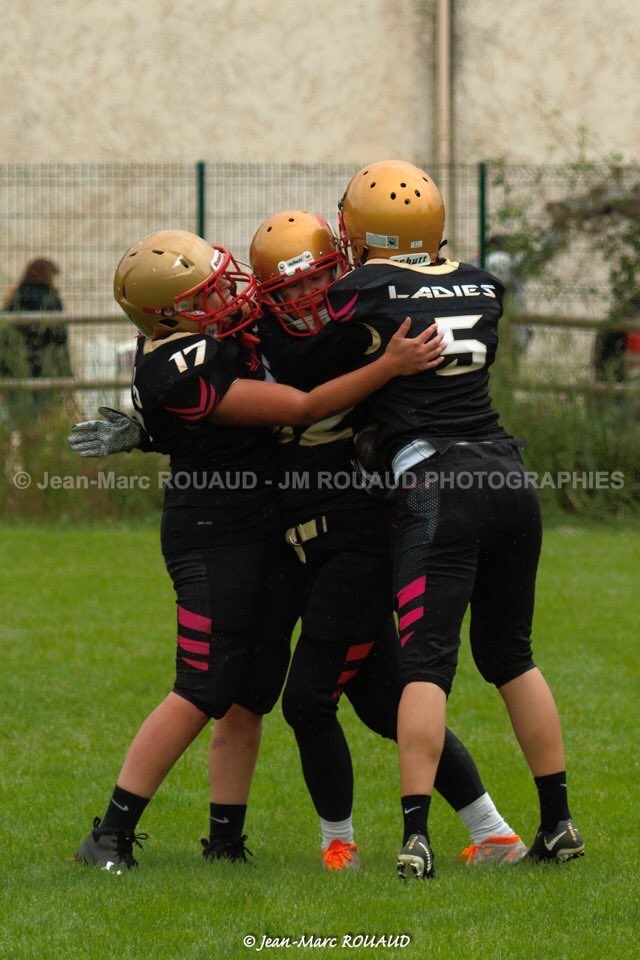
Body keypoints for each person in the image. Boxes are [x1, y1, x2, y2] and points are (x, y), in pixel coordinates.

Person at [69, 229, 442, 871]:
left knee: (250, 693)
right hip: (212, 536)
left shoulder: (208, 341)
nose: (228, 296)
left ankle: (224, 840)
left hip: (264, 532)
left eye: (222, 281)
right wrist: (388, 366)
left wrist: (149, 433)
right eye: (207, 293)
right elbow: (299, 407)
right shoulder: (175, 364)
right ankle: (111, 832)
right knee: (202, 686)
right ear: (169, 314)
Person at [325, 160, 584, 879]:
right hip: (506, 473)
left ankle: (416, 836)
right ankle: (558, 822)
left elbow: (324, 350)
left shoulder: (360, 291)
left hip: (437, 483)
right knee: (512, 656)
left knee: (425, 665)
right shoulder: (483, 283)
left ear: (370, 232)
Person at [249, 209, 527, 870]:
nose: (303, 297)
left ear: (342, 270)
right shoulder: (263, 339)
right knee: (384, 700)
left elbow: (311, 393)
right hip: (304, 542)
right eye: (286, 289)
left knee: (307, 699)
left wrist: (388, 363)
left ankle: (338, 843)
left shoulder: (372, 326)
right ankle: (493, 832)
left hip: (363, 534)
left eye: (315, 279)